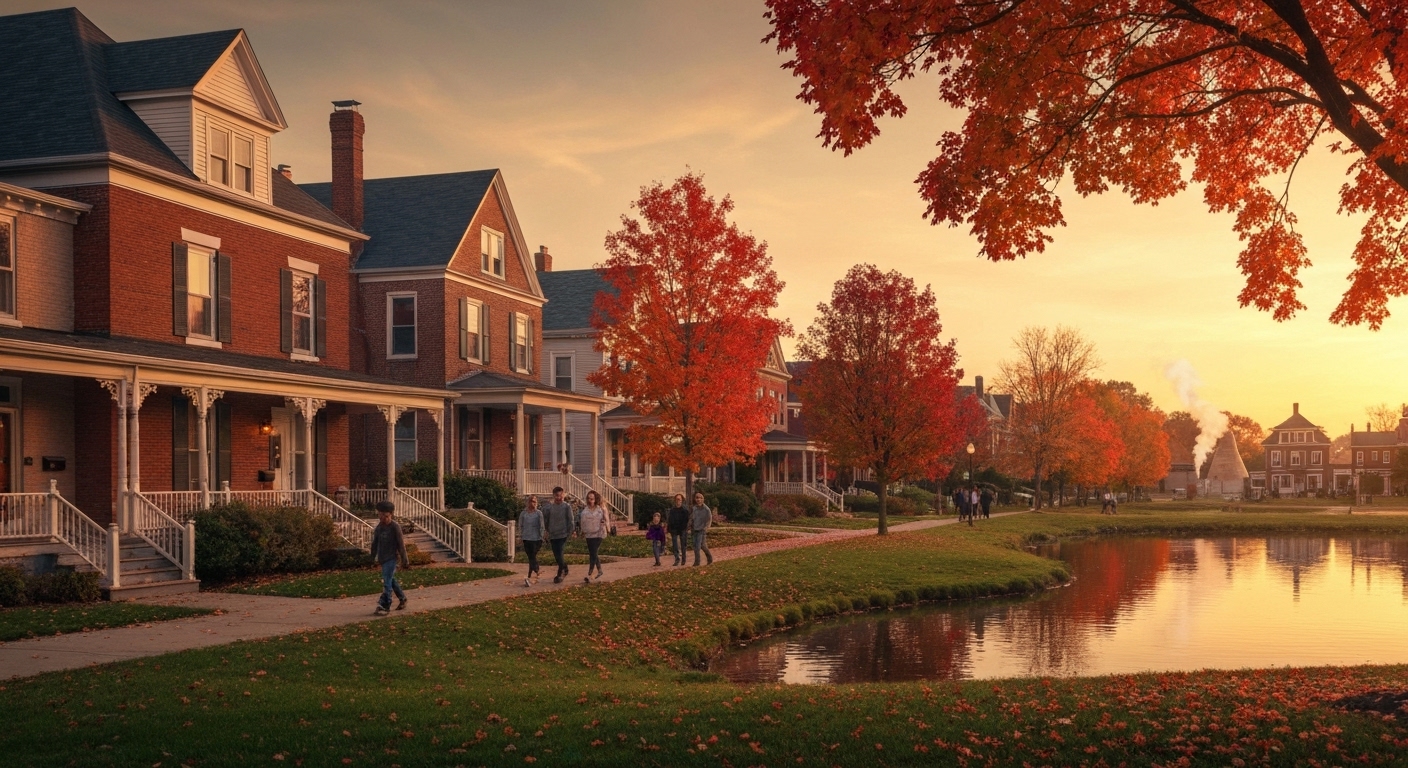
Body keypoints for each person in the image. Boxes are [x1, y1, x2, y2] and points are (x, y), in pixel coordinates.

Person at [370, 500, 410, 615]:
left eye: (386, 516)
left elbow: (401, 545)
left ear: (391, 515)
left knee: (387, 582)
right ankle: (402, 598)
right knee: (391, 580)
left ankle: (385, 605)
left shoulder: (395, 527)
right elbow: (374, 544)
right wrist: (372, 558)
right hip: (383, 558)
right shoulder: (379, 528)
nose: (383, 518)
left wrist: (405, 560)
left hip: (392, 558)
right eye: (380, 515)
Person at [542, 486, 576, 583]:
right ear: (554, 496)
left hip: (563, 534)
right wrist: (547, 531)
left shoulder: (566, 507)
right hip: (553, 534)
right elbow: (546, 520)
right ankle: (565, 568)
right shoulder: (550, 507)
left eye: (561, 495)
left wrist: (570, 532)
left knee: (560, 553)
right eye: (557, 495)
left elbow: (571, 520)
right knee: (556, 555)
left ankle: (560, 574)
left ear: (563, 495)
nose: (559, 497)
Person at [579, 490, 611, 582]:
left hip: (599, 533)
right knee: (593, 553)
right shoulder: (585, 511)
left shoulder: (601, 509)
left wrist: (607, 528)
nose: (590, 501)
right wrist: (582, 532)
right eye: (589, 499)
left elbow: (606, 519)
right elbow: (583, 522)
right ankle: (599, 570)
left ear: (595, 499)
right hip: (589, 534)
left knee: (593, 552)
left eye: (592, 499)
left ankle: (590, 573)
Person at [518, 494, 547, 587]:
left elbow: (542, 526)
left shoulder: (539, 513)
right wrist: (521, 536)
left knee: (532, 556)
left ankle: (535, 570)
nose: (533, 503)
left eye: (535, 501)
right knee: (530, 556)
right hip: (526, 538)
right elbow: (520, 525)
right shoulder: (523, 513)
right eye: (531, 501)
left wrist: (541, 536)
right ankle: (532, 573)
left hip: (536, 538)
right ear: (528, 502)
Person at [688, 491, 714, 566]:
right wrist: (688, 527)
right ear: (695, 499)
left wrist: (706, 528)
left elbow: (709, 519)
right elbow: (691, 519)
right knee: (703, 546)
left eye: (700, 498)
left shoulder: (706, 509)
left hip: (701, 530)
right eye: (697, 498)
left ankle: (697, 562)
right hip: (694, 529)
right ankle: (710, 559)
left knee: (697, 546)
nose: (698, 499)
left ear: (703, 499)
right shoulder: (694, 508)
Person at [666, 493, 690, 566]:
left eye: (679, 499)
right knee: (675, 544)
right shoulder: (672, 510)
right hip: (674, 529)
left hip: (682, 529)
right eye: (676, 499)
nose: (678, 501)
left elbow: (686, 520)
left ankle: (683, 559)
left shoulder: (685, 510)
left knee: (683, 544)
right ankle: (677, 559)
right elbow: (670, 520)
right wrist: (669, 529)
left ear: (681, 500)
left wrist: (685, 528)